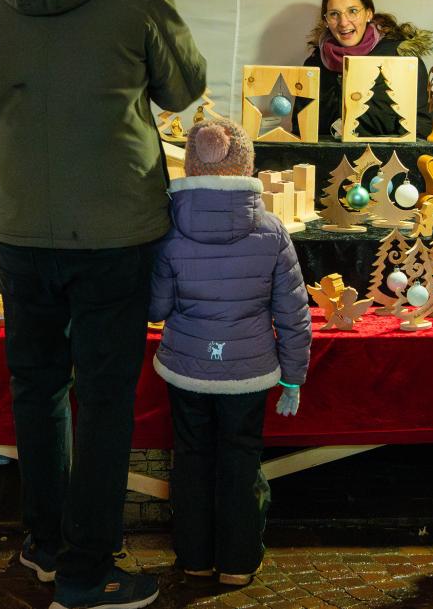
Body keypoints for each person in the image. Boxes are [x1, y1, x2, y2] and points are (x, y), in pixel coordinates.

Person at [0, 0, 207, 609]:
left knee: (36, 388)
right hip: (114, 226)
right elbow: (184, 87)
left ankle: (45, 543)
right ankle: (88, 571)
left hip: (20, 224)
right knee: (103, 396)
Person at [149, 118, 311, 587]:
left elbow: (156, 309)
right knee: (240, 459)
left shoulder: (169, 232)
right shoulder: (272, 231)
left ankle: (194, 558)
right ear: (247, 166)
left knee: (191, 457)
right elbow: (293, 313)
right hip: (249, 369)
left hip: (186, 366)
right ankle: (238, 563)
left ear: (191, 165)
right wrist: (293, 378)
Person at [303, 0, 433, 140]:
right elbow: (301, 128)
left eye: (353, 11)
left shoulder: (400, 57)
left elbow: (421, 126)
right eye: (334, 14)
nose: (343, 22)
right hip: (326, 155)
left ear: (368, 14)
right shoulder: (314, 65)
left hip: (389, 155)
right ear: (326, 21)